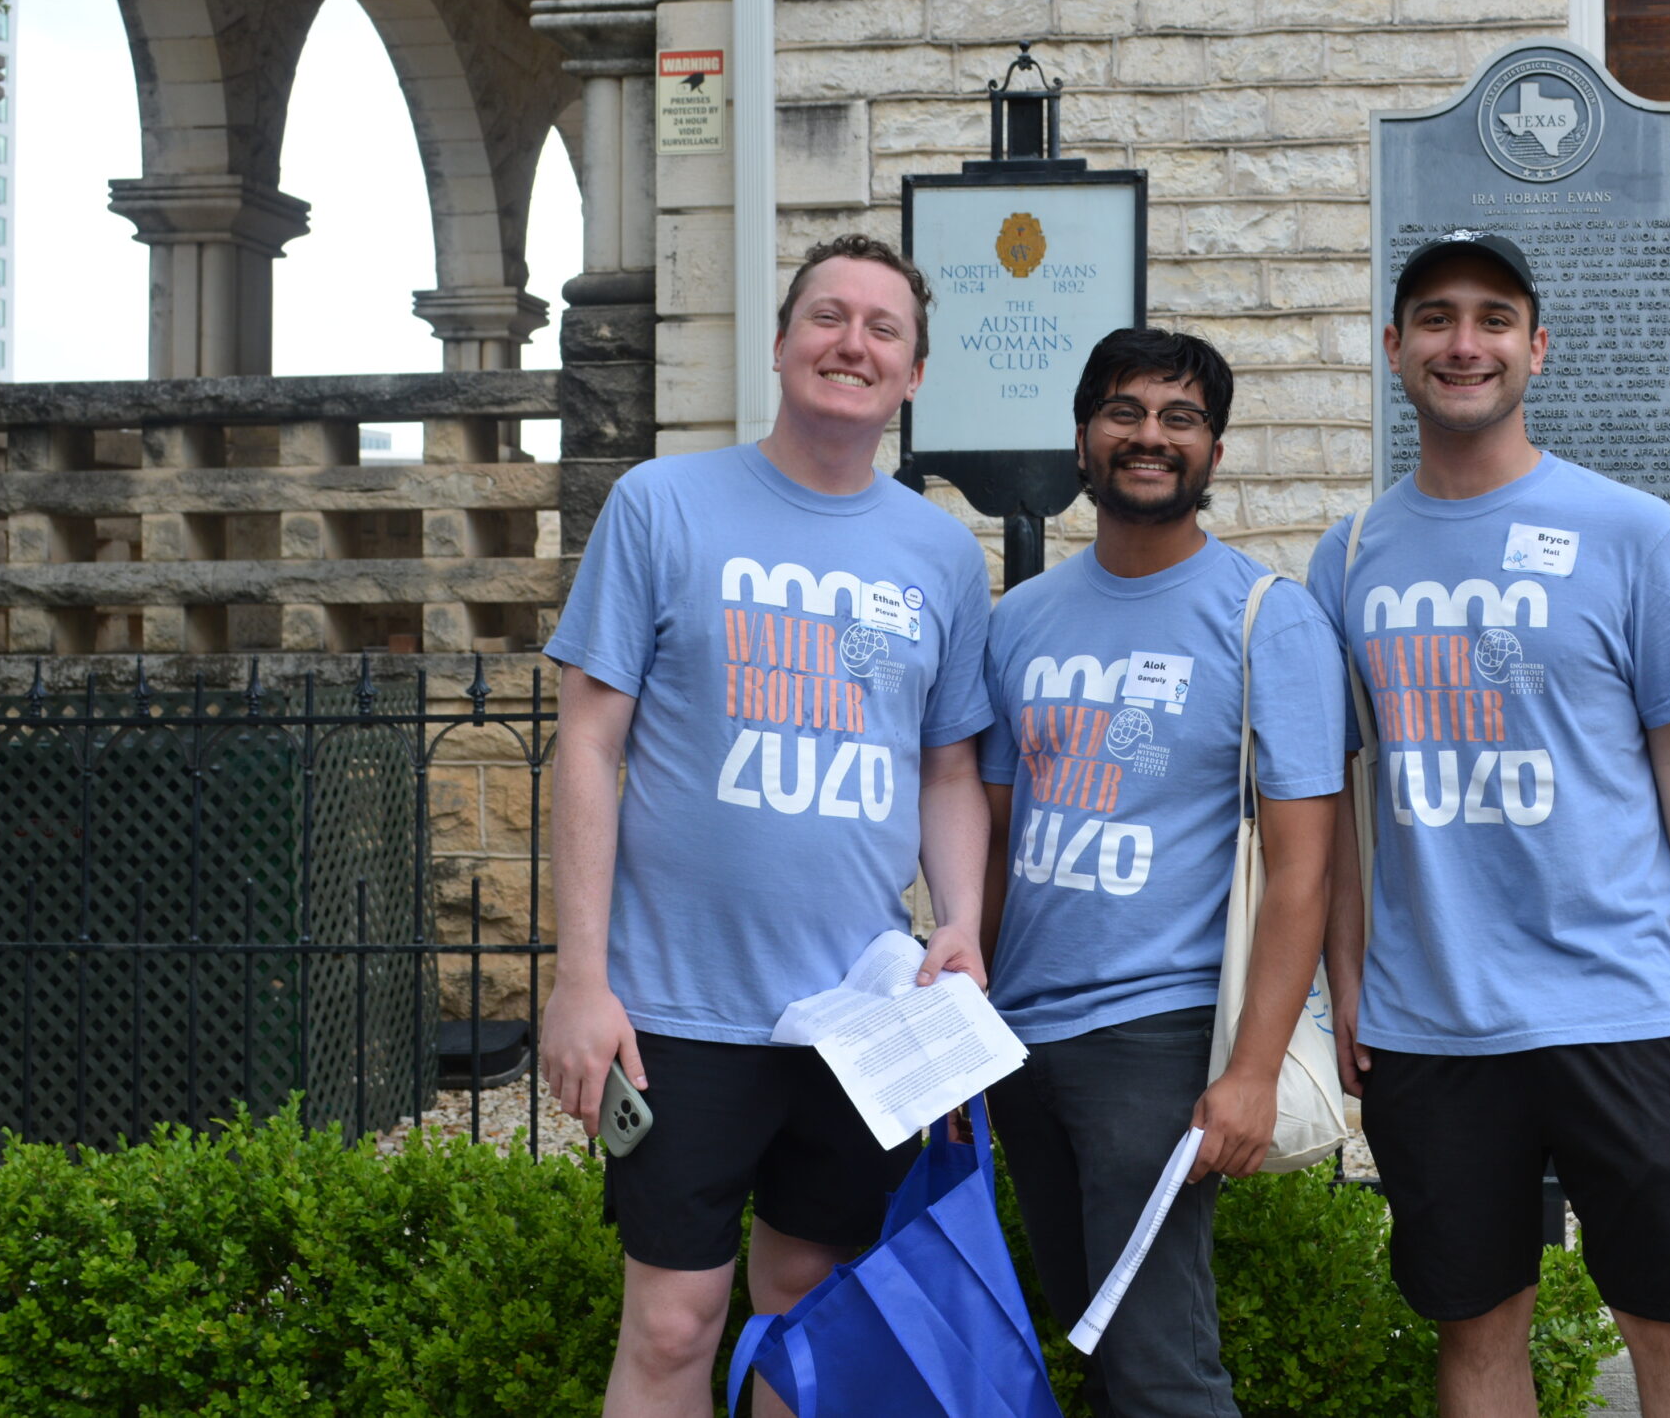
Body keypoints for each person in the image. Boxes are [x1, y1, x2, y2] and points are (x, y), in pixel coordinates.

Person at [542, 233, 996, 1418]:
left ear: (912, 375)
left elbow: (948, 767)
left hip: (856, 1010)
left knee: (810, 1306)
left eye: (882, 329)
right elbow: (588, 742)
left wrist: (963, 925)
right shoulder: (661, 504)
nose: (852, 343)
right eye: (828, 318)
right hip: (675, 1009)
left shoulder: (941, 554)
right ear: (782, 344)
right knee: (675, 1319)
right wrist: (578, 980)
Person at [1308, 234, 1670, 1418]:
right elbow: (1337, 791)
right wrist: (1343, 973)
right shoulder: (1346, 558)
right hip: (1432, 1018)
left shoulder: (1628, 531)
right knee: (1475, 1332)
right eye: (1439, 318)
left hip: (1614, 999)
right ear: (1395, 348)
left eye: (1495, 319)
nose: (1467, 343)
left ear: (1536, 348)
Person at [980, 327, 1342, 1418]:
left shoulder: (1264, 618)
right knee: (1093, 1344)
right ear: (1082, 440)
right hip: (1020, 1040)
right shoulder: (1019, 618)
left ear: (1214, 451)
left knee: (1159, 1368)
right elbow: (995, 838)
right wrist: (970, 1021)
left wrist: (1249, 1070)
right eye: (1126, 412)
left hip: (1153, 1032)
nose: (1150, 436)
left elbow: (1302, 870)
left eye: (1179, 417)